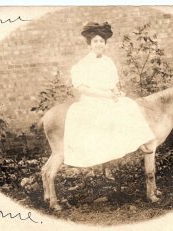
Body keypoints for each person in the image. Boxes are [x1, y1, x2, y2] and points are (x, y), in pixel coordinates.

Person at [63, 22, 155, 171]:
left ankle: (140, 141)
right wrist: (105, 94)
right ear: (89, 45)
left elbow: (113, 83)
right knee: (106, 115)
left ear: (105, 45)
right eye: (95, 41)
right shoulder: (83, 64)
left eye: (101, 41)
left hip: (108, 96)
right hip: (92, 99)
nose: (99, 44)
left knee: (129, 104)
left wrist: (117, 91)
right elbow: (82, 88)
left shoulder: (108, 62)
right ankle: (105, 158)